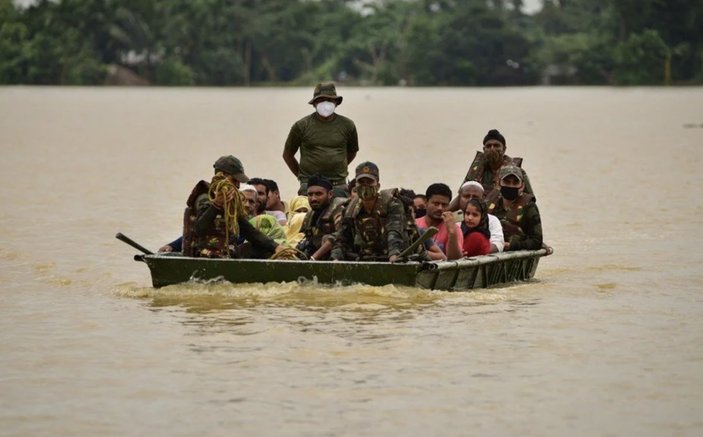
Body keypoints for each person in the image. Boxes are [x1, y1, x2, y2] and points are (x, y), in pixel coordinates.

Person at [180, 155, 285, 258]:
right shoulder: (205, 198)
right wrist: (216, 205)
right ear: (222, 176)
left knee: (262, 249)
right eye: (234, 180)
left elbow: (249, 231)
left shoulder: (231, 202)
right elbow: (199, 229)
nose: (238, 186)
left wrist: (275, 247)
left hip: (227, 253)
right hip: (205, 255)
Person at [282, 82, 359, 198]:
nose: (325, 104)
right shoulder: (301, 125)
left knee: (341, 215)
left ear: (336, 103)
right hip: (309, 186)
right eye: (321, 100)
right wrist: (302, 177)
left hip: (338, 185)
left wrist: (339, 166)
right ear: (314, 104)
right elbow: (288, 155)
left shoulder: (348, 125)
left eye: (330, 100)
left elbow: (352, 151)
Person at [330, 162, 409, 262]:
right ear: (356, 185)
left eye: (369, 182)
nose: (365, 186)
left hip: (390, 259)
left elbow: (394, 231)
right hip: (364, 259)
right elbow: (342, 238)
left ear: (378, 185)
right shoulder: (350, 208)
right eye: (361, 182)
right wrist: (335, 258)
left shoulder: (392, 204)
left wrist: (394, 254)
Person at [461, 129, 534, 196]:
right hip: (479, 208)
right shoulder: (477, 168)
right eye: (488, 146)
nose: (492, 149)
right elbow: (461, 195)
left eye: (496, 146)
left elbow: (530, 199)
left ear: (504, 149)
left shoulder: (517, 171)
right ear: (484, 149)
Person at [487, 166, 543, 251]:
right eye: (507, 182)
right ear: (498, 183)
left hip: (515, 249)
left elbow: (537, 241)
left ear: (522, 186)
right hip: (490, 247)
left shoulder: (529, 207)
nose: (511, 186)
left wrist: (512, 246)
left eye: (515, 182)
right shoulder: (489, 203)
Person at [297, 175, 348, 261]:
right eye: (310, 194)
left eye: (318, 194)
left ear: (330, 194)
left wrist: (314, 258)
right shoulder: (310, 215)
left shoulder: (339, 208)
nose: (313, 198)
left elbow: (340, 235)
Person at [415, 183, 463, 261]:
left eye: (444, 205)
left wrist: (452, 233)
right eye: (436, 203)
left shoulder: (454, 229)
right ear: (426, 203)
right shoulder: (415, 225)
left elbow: (455, 261)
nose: (440, 208)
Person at [454, 181, 505, 253]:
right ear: (460, 197)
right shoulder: (453, 219)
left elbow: (498, 244)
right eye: (466, 196)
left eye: (475, 197)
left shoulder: (492, 220)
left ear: (483, 198)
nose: (470, 199)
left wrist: (477, 250)